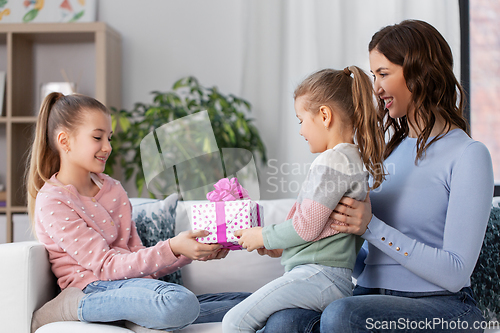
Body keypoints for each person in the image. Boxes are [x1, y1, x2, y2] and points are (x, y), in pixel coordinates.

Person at [262, 19, 494, 333]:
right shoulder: (383, 153)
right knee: (284, 321)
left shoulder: (468, 155)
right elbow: (362, 256)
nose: (376, 88)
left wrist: (371, 226)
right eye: (373, 75)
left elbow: (455, 272)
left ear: (420, 71)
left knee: (341, 316)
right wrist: (307, 241)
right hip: (367, 297)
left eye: (384, 74)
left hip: (442, 306)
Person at [27, 92, 250, 333]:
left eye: (109, 138)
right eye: (97, 137)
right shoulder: (53, 200)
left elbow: (139, 259)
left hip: (135, 286)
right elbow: (107, 267)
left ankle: (138, 314)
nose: (107, 147)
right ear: (65, 141)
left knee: (255, 302)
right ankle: (73, 308)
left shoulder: (113, 189)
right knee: (178, 302)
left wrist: (190, 251)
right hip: (91, 289)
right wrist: (173, 247)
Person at [221, 66, 386, 333]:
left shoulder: (333, 160)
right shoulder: (350, 160)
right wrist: (279, 247)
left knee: (234, 322)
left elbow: (306, 226)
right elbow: (320, 229)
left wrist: (263, 235)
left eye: (300, 120)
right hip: (326, 277)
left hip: (319, 276)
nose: (300, 131)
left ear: (324, 115)